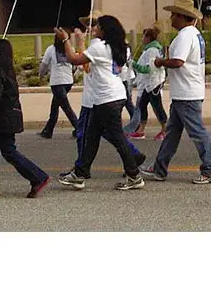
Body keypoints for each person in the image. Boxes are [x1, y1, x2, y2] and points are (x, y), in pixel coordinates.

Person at [139, 0, 211, 185]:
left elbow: (178, 62)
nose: (170, 18)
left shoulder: (185, 35)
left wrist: (160, 62)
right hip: (185, 92)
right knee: (172, 133)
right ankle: (159, 168)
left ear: (182, 17)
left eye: (173, 15)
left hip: (187, 93)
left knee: (197, 132)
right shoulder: (194, 34)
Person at [56, 15, 145, 191]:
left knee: (117, 138)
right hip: (113, 95)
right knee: (92, 137)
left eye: (97, 27)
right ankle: (80, 174)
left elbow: (75, 59)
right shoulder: (122, 47)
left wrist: (66, 39)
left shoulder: (99, 47)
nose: (94, 29)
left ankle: (134, 175)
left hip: (106, 98)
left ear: (104, 30)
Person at [0, 39, 50, 198]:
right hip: (8, 116)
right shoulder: (6, 70)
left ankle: (38, 176)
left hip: (3, 118)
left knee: (8, 151)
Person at [127, 26, 168, 141]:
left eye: (144, 36)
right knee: (142, 105)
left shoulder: (152, 51)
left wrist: (133, 64)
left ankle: (165, 129)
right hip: (148, 84)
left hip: (153, 83)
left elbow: (148, 69)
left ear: (149, 38)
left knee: (157, 106)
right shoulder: (149, 50)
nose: (142, 39)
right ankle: (141, 130)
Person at [38, 33, 79, 138]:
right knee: (55, 107)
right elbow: (74, 64)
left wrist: (41, 75)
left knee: (66, 108)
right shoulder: (70, 49)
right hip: (68, 81)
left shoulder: (51, 49)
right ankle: (48, 130)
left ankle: (80, 128)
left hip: (57, 82)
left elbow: (44, 65)